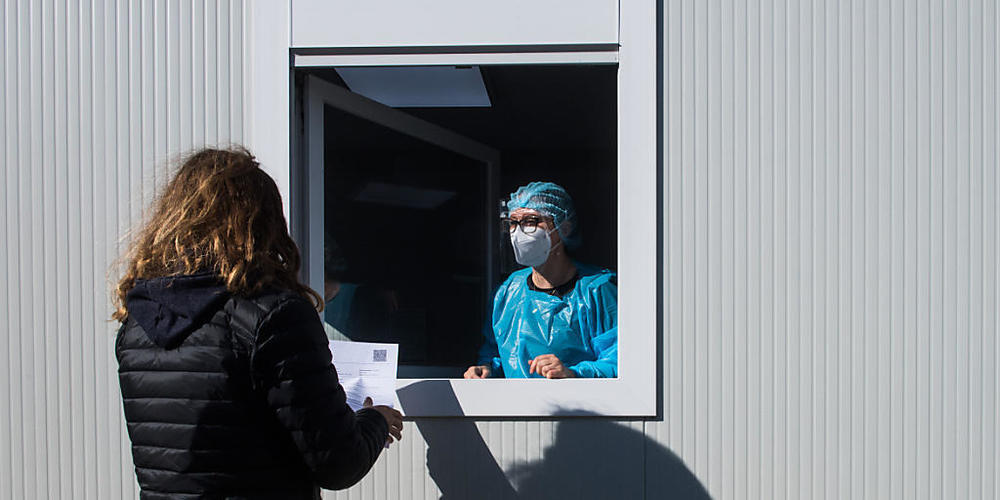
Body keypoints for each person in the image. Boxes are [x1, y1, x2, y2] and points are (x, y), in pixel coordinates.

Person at [112, 147, 403, 499]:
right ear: (263, 225)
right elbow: (338, 462)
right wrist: (375, 421)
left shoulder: (138, 325)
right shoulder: (273, 316)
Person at [464, 181, 618, 379]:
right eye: (513, 223)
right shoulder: (508, 291)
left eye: (531, 221)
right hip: (518, 407)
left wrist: (573, 374)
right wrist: (485, 368)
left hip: (581, 408)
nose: (519, 232)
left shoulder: (597, 290)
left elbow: (619, 361)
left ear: (565, 226)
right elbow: (496, 353)